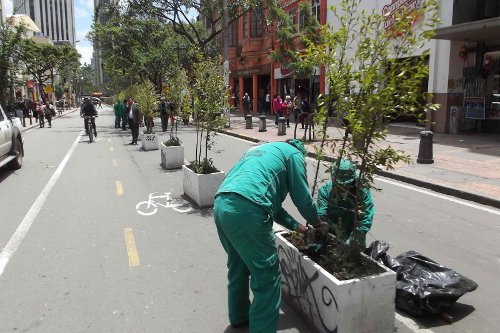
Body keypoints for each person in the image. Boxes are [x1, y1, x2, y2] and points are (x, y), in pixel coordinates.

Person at [214, 139, 325, 332]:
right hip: (248, 211)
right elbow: (303, 199)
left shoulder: (263, 151)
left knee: (238, 265)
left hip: (222, 204)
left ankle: (239, 317)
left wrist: (301, 229)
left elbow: (275, 209)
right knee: (267, 278)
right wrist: (317, 223)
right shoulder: (294, 155)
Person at [316, 159, 374, 248]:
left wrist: (353, 239)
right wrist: (321, 235)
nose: (343, 187)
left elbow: (366, 217)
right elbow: (322, 215)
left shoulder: (361, 190)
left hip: (355, 236)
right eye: (339, 183)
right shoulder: (326, 191)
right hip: (332, 235)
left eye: (346, 184)